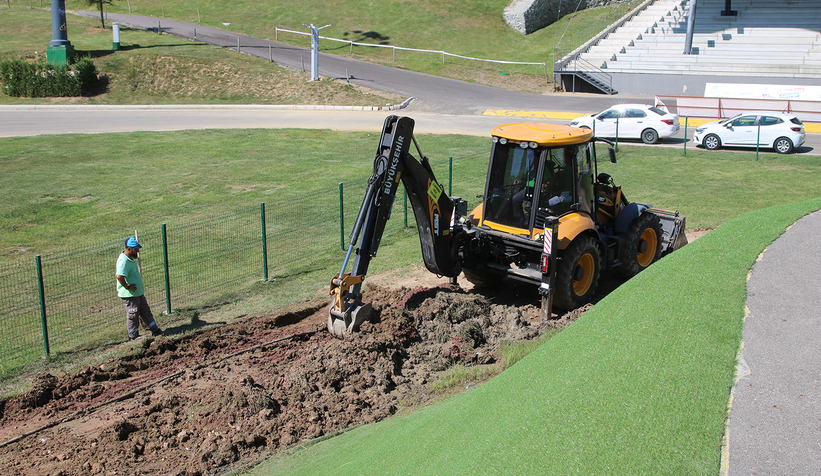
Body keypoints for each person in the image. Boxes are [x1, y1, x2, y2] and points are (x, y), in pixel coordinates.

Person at [116, 237, 163, 340]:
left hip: (137, 293)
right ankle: (133, 336)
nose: (138, 251)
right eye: (135, 249)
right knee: (133, 314)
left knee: (145, 311)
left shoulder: (130, 258)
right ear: (129, 249)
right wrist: (128, 287)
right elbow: (119, 276)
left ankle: (155, 330)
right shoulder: (123, 261)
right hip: (130, 295)